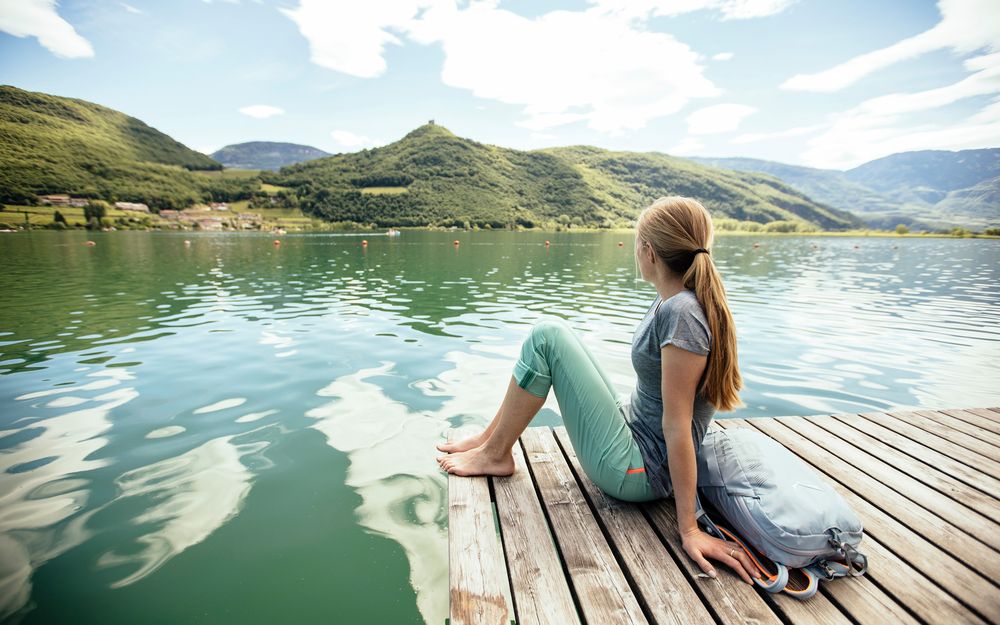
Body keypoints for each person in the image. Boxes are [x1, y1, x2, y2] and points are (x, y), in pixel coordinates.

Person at [435, 196, 759, 585]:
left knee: (547, 336)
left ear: (648, 250)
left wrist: (689, 527)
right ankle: (491, 440)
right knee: (558, 334)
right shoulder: (670, 300)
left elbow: (678, 425)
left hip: (639, 469)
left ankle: (495, 453)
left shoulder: (682, 313)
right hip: (634, 432)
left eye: (637, 244)